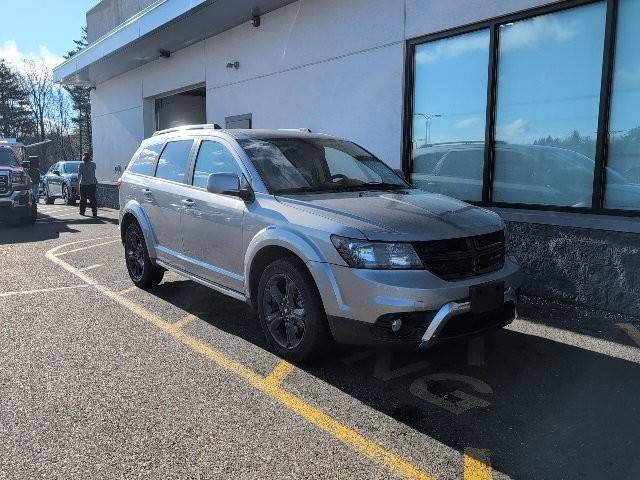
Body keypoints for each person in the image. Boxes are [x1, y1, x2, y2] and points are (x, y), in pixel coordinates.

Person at [78, 152, 98, 217]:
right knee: (92, 198)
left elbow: (79, 175)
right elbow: (93, 173)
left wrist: (78, 183)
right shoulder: (93, 164)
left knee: (83, 199)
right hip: (92, 183)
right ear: (90, 158)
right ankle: (94, 212)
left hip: (83, 184)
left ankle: (82, 211)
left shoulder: (81, 165)